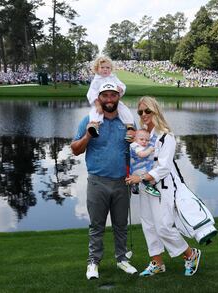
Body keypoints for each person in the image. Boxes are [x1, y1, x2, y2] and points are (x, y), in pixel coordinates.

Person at [125, 96, 202, 277]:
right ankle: (157, 262)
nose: (144, 115)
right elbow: (135, 156)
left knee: (163, 227)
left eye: (147, 111)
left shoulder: (166, 136)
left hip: (162, 186)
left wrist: (142, 177)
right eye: (140, 112)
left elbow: (164, 167)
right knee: (148, 225)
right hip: (144, 186)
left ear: (156, 111)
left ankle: (191, 254)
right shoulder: (141, 136)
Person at [71, 81, 137, 280]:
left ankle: (122, 260)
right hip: (97, 182)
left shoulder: (128, 122)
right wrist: (89, 135)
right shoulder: (89, 120)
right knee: (96, 226)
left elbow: (140, 149)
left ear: (118, 97)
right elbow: (75, 150)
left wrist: (136, 141)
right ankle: (93, 263)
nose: (109, 99)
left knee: (121, 225)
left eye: (113, 95)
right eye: (105, 95)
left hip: (121, 182)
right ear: (99, 97)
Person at [86, 56, 134, 137]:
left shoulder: (113, 77)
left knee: (124, 109)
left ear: (111, 69)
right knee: (95, 112)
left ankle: (129, 126)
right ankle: (94, 126)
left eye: (108, 67)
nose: (105, 69)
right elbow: (91, 93)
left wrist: (120, 88)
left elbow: (122, 85)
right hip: (100, 102)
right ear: (97, 69)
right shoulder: (96, 80)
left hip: (113, 101)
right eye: (102, 67)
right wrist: (97, 105)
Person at [129, 129, 161, 197]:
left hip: (138, 168)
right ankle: (149, 187)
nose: (144, 142)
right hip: (137, 168)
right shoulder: (135, 146)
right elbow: (142, 154)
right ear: (135, 139)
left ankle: (135, 186)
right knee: (151, 175)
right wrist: (150, 150)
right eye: (141, 139)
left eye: (147, 140)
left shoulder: (141, 145)